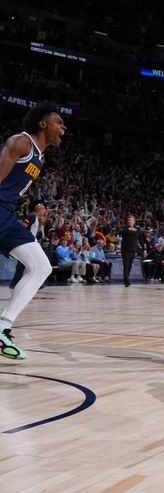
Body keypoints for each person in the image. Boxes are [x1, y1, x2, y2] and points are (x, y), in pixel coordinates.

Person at [0, 102, 66, 360]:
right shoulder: (21, 142)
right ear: (43, 124)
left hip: (7, 215)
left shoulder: (40, 156)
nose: (64, 127)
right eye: (58, 122)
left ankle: (3, 329)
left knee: (41, 266)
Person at [9, 203, 47, 289]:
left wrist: (41, 224)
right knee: (30, 263)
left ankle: (15, 283)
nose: (45, 211)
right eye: (43, 209)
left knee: (24, 264)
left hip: (32, 242)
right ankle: (16, 283)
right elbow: (23, 227)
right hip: (27, 242)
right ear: (39, 209)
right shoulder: (31, 216)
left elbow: (36, 232)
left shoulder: (37, 218)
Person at [119, 215, 145, 286]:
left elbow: (141, 240)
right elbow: (119, 232)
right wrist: (129, 229)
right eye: (128, 220)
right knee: (126, 265)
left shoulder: (138, 230)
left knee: (130, 265)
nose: (129, 221)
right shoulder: (125, 228)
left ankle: (126, 279)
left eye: (131, 220)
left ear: (134, 222)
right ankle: (126, 281)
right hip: (125, 250)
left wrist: (144, 249)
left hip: (133, 250)